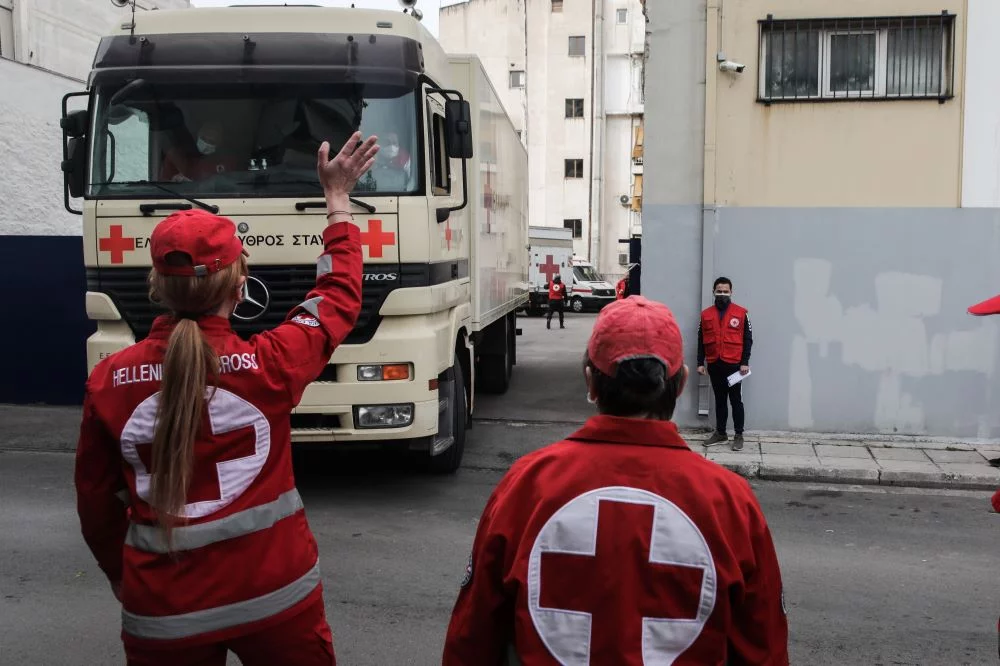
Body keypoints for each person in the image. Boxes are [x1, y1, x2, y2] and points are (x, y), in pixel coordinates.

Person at [74, 132, 379, 665]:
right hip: (277, 598)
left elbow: (97, 506)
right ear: (240, 289)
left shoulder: (108, 382)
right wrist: (337, 203)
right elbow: (336, 297)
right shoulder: (273, 364)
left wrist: (123, 579)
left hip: (163, 611)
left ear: (155, 288)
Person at [443, 296, 789, 665]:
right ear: (682, 383)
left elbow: (471, 642)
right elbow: (763, 650)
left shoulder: (527, 487)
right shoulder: (730, 502)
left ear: (590, 382)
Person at [697, 276, 752, 451]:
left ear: (731, 292)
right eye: (719, 291)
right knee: (720, 400)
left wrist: (745, 362)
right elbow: (700, 340)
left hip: (735, 365)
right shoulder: (706, 314)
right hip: (715, 364)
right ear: (713, 292)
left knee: (736, 400)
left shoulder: (742, 313)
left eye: (725, 291)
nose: (722, 294)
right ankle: (720, 433)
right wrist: (700, 362)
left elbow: (748, 339)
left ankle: (738, 435)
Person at [160, 120, 242, 182]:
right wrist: (175, 181)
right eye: (203, 138)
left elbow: (230, 185)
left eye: (212, 142)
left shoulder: (227, 161)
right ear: (198, 134)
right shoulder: (176, 155)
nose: (206, 143)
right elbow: (163, 185)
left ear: (219, 143)